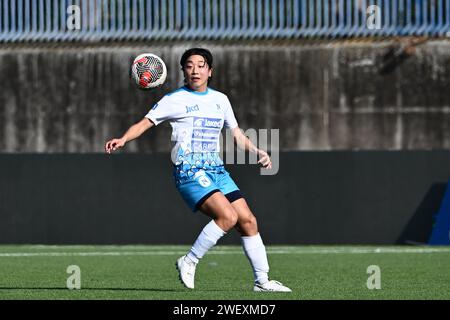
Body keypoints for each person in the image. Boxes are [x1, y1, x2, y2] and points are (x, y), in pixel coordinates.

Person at [105, 48, 291, 292]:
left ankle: (262, 281)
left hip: (216, 169)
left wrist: (257, 151)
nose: (195, 70)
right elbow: (144, 123)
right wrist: (123, 139)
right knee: (227, 217)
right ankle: (189, 261)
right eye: (189, 65)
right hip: (189, 170)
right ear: (183, 70)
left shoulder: (221, 100)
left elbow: (236, 135)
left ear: (209, 71)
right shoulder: (174, 99)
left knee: (248, 220)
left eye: (201, 65)